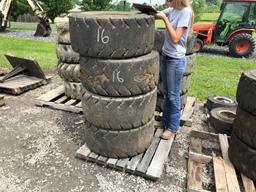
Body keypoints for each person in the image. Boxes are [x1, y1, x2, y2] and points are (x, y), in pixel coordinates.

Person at [154, 0, 193, 140]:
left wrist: (165, 19)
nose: (166, 2)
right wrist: (148, 10)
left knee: (173, 95)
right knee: (166, 92)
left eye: (169, 0)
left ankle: (173, 127)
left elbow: (176, 38)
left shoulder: (185, 12)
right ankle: (165, 121)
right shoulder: (172, 9)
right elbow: (157, 14)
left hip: (175, 60)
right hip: (166, 56)